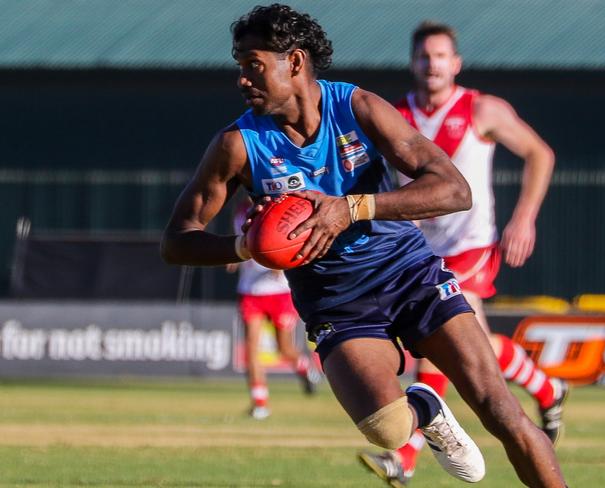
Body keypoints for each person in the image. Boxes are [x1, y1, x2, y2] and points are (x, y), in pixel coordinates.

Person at [161, 4, 567, 487]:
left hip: (408, 275)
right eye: (239, 66)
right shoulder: (238, 144)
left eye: (253, 65)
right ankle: (424, 404)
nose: (242, 80)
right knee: (388, 429)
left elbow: (454, 190)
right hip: (336, 301)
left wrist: (352, 207)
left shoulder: (357, 107)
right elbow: (177, 241)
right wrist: (246, 247)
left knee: (501, 411)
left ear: (294, 61)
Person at [358, 22, 569, 487]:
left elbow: (540, 153)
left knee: (435, 351)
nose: (431, 64)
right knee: (474, 348)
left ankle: (405, 459)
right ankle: (548, 387)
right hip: (417, 252)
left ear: (455, 63)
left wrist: (524, 218)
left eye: (440, 56)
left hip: (470, 247)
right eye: (423, 57)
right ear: (412, 64)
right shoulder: (394, 115)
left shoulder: (482, 109)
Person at [227, 197, 320, 420]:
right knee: (251, 348)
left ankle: (304, 368)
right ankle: (260, 403)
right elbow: (242, 241)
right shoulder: (240, 208)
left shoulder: (277, 204)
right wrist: (232, 257)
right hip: (250, 290)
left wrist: (281, 260)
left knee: (284, 348)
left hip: (278, 291)